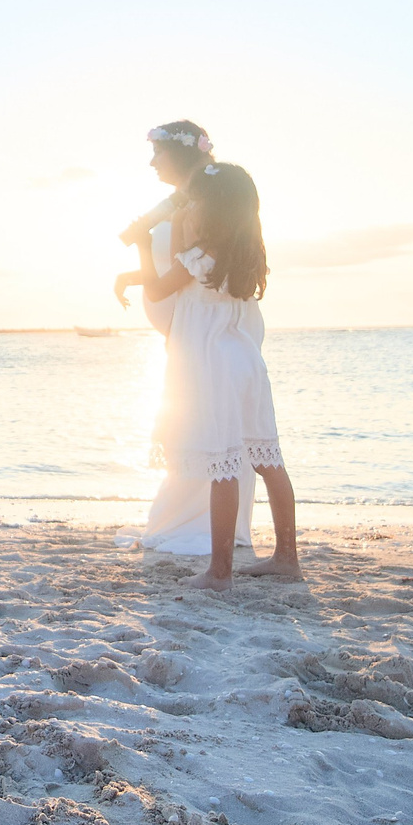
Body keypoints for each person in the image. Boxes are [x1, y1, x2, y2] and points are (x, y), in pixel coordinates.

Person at [131, 161, 298, 589]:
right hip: (245, 361)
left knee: (222, 463)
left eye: (196, 204)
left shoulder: (199, 257)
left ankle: (220, 572)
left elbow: (155, 289)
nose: (190, 211)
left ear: (212, 210)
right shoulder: (245, 254)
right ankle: (286, 558)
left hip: (213, 363)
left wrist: (141, 245)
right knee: (268, 460)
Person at [114, 122, 255, 555]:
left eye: (158, 152)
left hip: (207, 336)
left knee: (215, 431)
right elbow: (193, 268)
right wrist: (138, 268)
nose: (152, 161)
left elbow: (188, 269)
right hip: (200, 333)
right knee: (209, 431)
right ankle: (205, 526)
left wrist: (142, 253)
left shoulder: (206, 201)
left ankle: (212, 537)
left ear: (183, 153)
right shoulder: (184, 200)